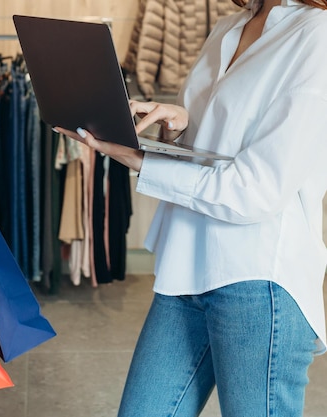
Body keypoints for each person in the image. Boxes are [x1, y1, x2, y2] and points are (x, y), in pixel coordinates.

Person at [56, 0, 327, 415]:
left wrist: (142, 162)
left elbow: (257, 190)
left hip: (258, 280)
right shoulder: (230, 26)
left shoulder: (316, 35)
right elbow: (215, 145)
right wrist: (177, 126)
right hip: (187, 267)